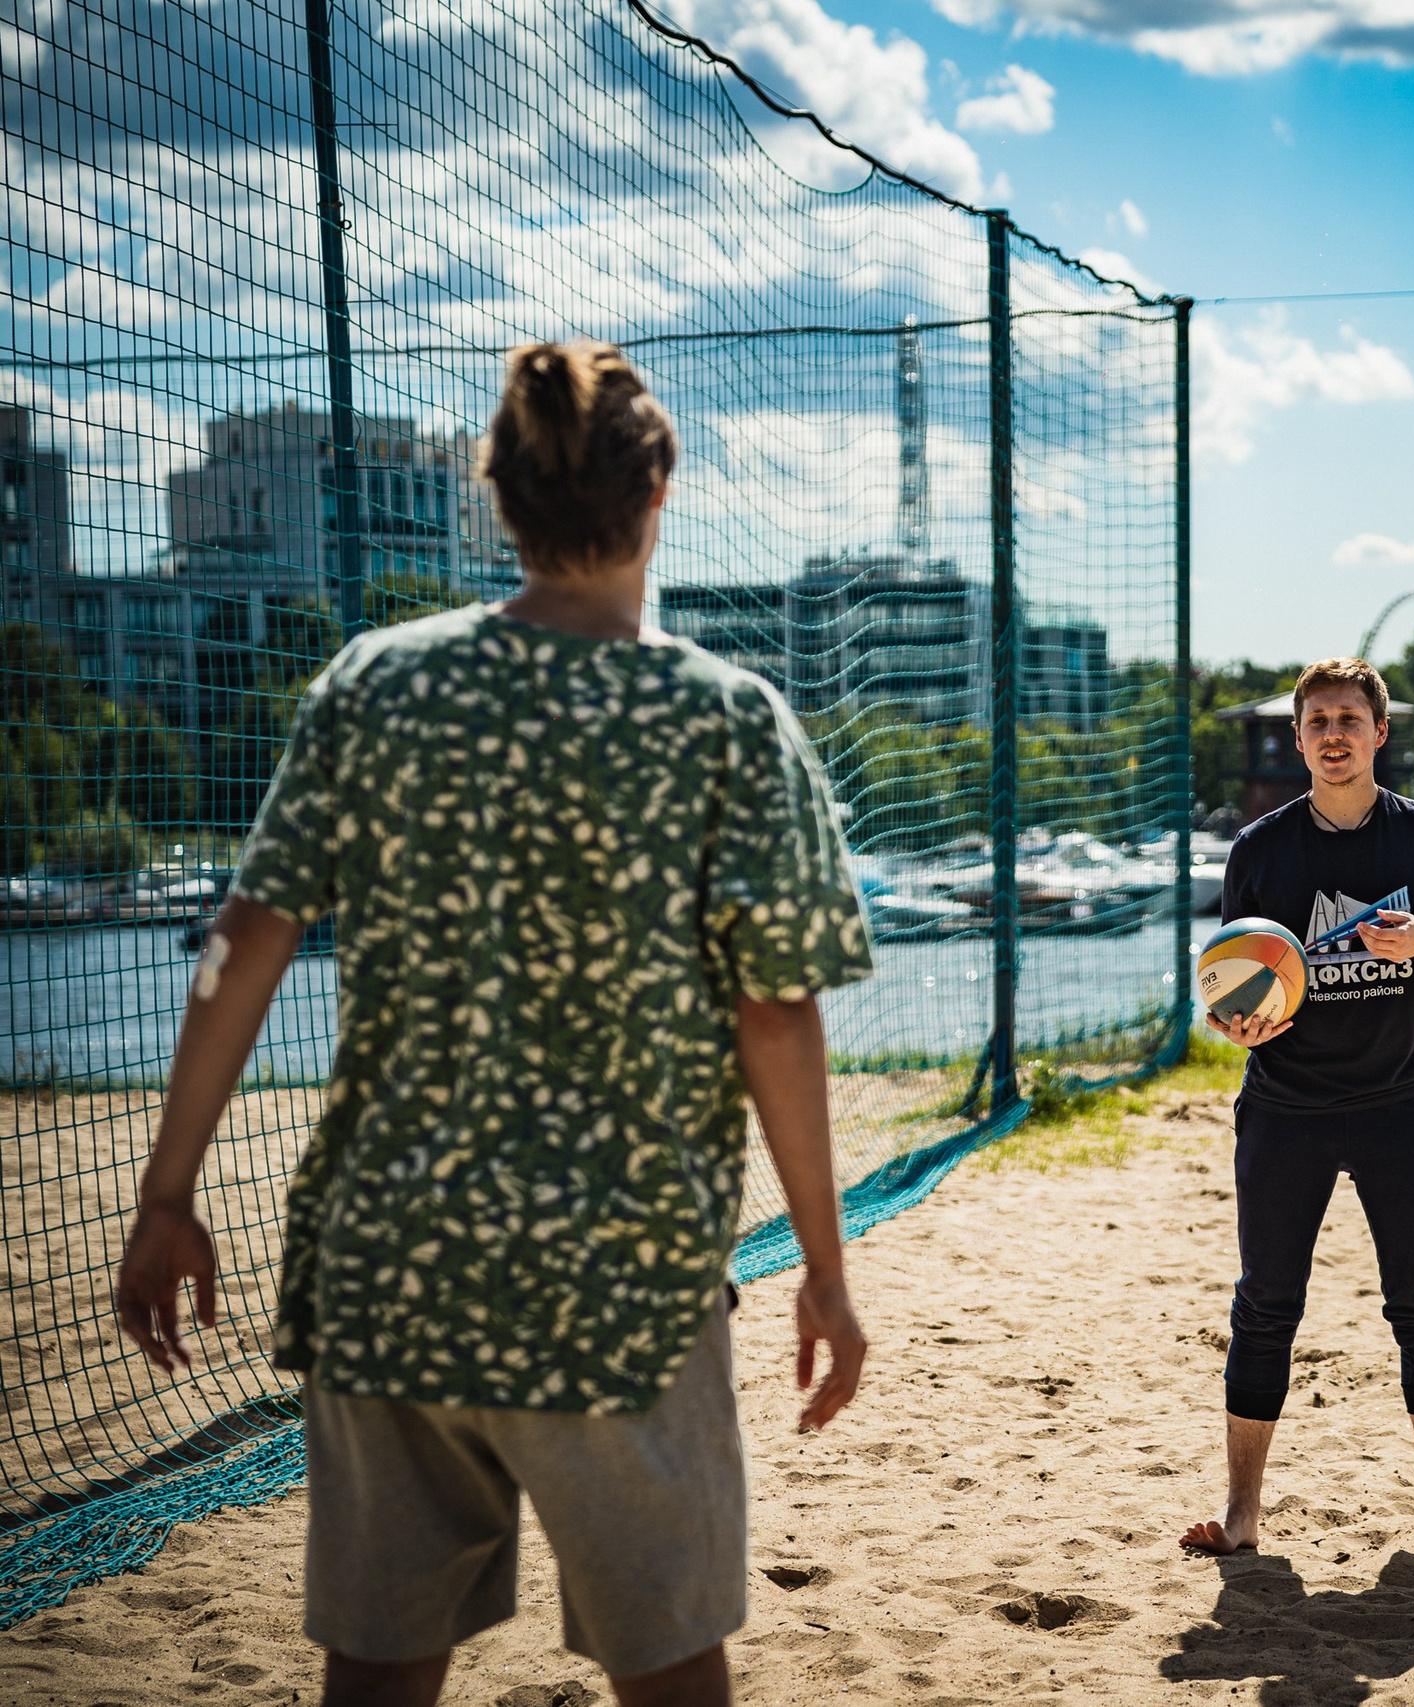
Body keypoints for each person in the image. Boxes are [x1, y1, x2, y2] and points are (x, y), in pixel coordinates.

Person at [112, 342, 878, 1707]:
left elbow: (242, 945)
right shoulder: (725, 722)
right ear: (663, 488)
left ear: (498, 497)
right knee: (668, 1661)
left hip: (388, 1263)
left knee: (382, 1664)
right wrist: (824, 1262)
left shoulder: (377, 683)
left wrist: (168, 1190)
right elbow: (776, 1007)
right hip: (621, 1279)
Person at [1182, 658, 1414, 1561]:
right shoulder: (1259, 849)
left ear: (1380, 734)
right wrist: (1239, 1023)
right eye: (1317, 721)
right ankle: (1244, 1513)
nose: (1333, 733)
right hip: (1286, 1107)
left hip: (1402, 1105)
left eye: (1350, 718)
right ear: (1298, 739)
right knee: (1264, 1306)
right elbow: (1236, 980)